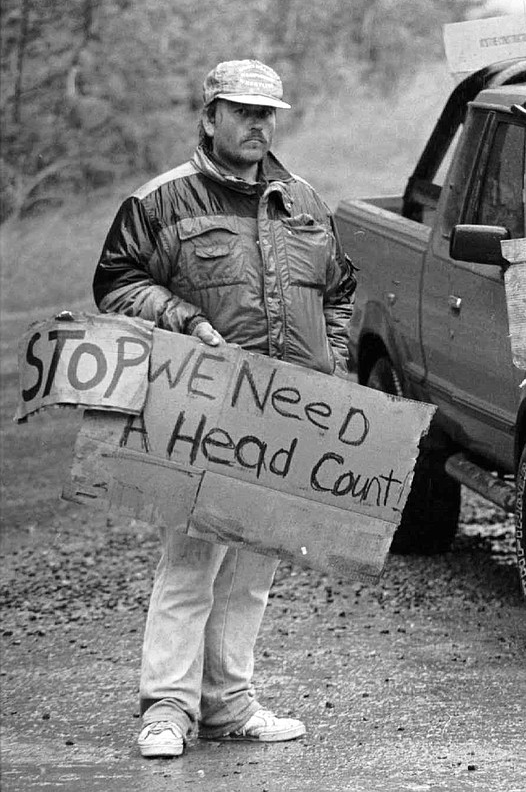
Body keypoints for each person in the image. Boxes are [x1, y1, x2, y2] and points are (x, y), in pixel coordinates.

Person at [92, 59, 356, 758]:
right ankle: (167, 709)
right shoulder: (161, 201)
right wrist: (183, 319)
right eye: (242, 111)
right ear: (209, 117)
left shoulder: (304, 199)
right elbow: (116, 284)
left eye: (267, 113)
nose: (257, 123)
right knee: (189, 561)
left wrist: (334, 368)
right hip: (202, 408)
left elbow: (338, 292)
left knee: (254, 567)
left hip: (287, 415)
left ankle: (229, 704)